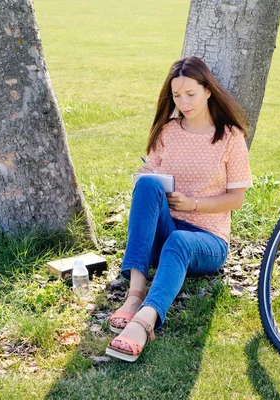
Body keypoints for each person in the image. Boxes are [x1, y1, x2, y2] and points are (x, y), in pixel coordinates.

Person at [105, 56, 252, 362]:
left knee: (179, 242)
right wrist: (151, 181)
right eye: (176, 96)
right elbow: (149, 172)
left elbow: (236, 199)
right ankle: (134, 295)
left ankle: (145, 321)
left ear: (208, 90)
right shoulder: (168, 131)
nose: (183, 102)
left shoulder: (230, 137)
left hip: (207, 239)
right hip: (167, 227)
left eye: (190, 94)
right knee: (146, 185)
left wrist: (194, 203)